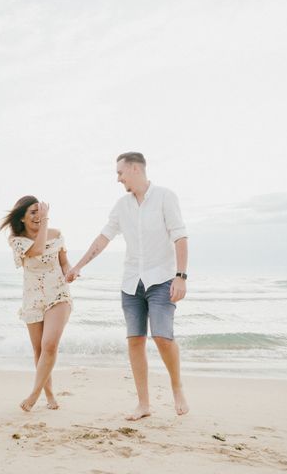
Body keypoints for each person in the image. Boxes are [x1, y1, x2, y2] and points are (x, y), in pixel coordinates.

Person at [66, 152, 190, 420]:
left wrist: (181, 276)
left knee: (162, 337)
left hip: (162, 279)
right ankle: (143, 404)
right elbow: (104, 238)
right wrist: (78, 266)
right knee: (135, 341)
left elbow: (180, 236)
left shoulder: (165, 197)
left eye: (120, 173)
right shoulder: (122, 205)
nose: (118, 178)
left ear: (135, 169)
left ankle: (177, 387)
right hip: (132, 281)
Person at [0, 196, 73, 412]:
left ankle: (34, 394)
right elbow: (38, 249)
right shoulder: (17, 240)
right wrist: (45, 221)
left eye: (39, 211)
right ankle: (49, 394)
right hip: (33, 298)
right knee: (39, 350)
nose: (38, 216)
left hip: (58, 294)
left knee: (49, 345)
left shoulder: (56, 234)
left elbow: (64, 262)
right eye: (32, 212)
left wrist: (70, 272)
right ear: (21, 218)